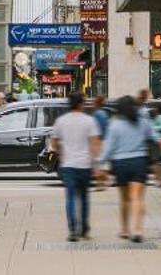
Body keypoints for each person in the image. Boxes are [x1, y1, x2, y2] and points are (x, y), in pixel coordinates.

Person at [102, 96, 157, 242]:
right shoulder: (143, 122)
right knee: (137, 197)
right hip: (140, 161)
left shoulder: (114, 125)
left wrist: (100, 164)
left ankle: (125, 230)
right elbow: (154, 139)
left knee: (124, 199)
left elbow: (108, 148)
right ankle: (138, 230)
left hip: (120, 163)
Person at [47, 96, 101, 242]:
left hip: (68, 164)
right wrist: (96, 164)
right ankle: (84, 230)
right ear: (81, 104)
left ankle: (72, 230)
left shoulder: (61, 121)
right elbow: (94, 144)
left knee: (70, 197)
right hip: (84, 164)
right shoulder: (89, 121)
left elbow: (54, 141)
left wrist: (61, 152)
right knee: (83, 197)